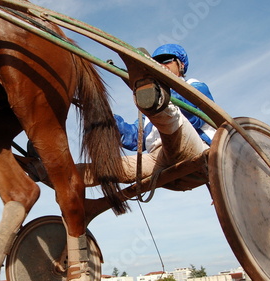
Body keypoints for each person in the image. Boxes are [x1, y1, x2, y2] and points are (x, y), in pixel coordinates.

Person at [78, 43, 216, 186]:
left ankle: (157, 98)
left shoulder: (195, 86)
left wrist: (159, 93)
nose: (161, 65)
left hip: (193, 151)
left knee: (166, 113)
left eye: (166, 60)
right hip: (158, 160)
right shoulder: (147, 108)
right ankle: (60, 171)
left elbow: (194, 117)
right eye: (156, 63)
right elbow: (134, 138)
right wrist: (107, 119)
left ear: (181, 64)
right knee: (107, 168)